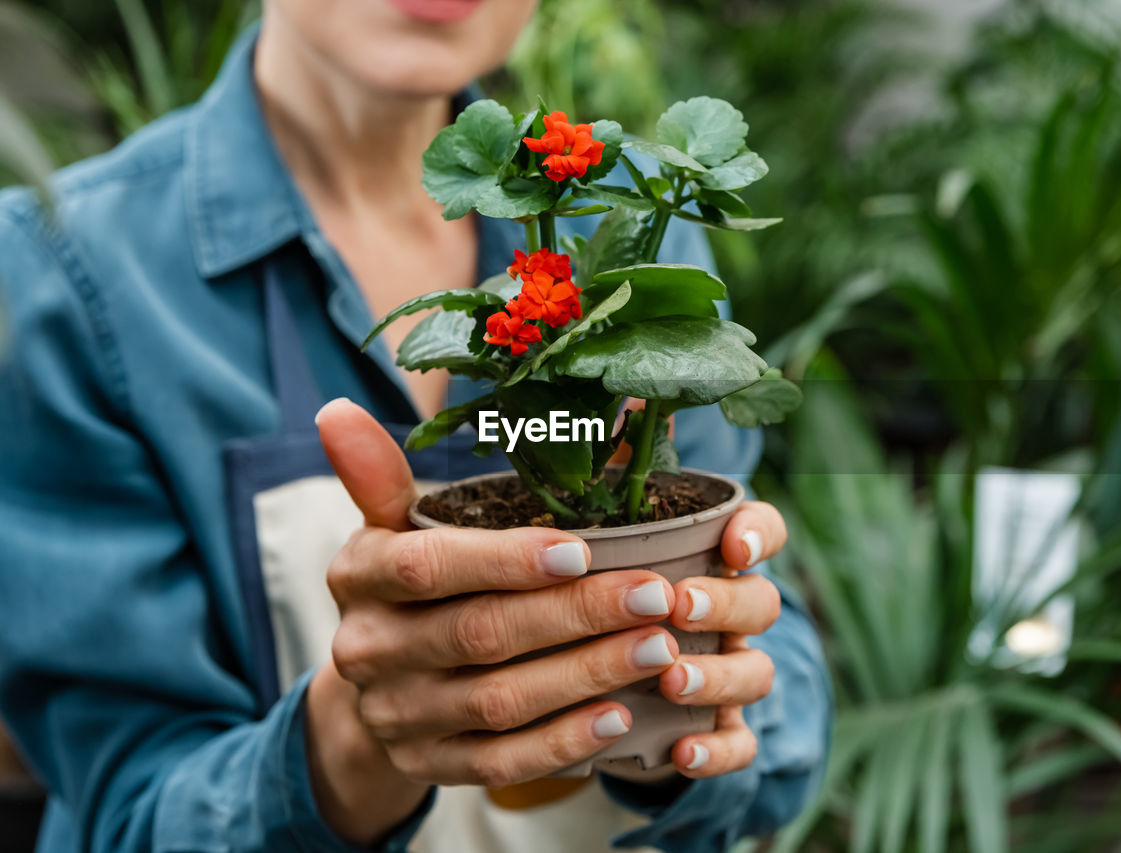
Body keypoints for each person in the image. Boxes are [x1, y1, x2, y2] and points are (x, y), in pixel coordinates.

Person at [0, 1, 831, 851]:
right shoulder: (62, 273)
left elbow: (786, 705)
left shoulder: (633, 242)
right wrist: (350, 745)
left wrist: (688, 709)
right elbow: (124, 810)